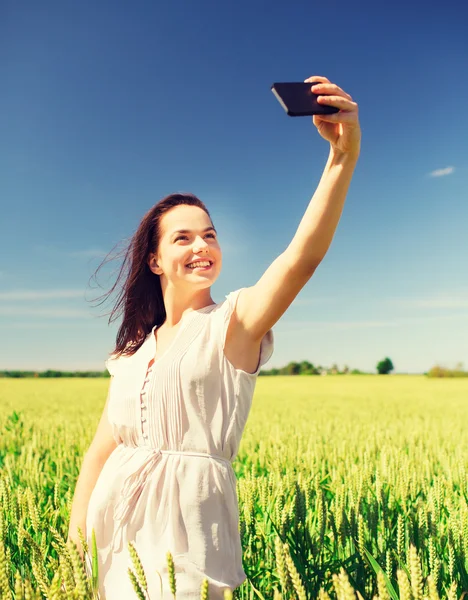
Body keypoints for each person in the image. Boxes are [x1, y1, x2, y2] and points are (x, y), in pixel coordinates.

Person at [67, 74, 361, 599]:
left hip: (190, 532)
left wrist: (342, 159)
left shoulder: (235, 322)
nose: (202, 245)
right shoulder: (132, 350)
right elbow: (99, 451)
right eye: (183, 237)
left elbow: (302, 257)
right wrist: (76, 537)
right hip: (112, 532)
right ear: (155, 260)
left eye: (210, 234)